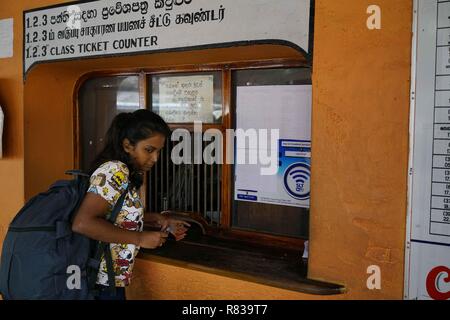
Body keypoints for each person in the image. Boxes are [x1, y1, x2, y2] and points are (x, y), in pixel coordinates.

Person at [72, 109, 190, 300]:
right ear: (128, 145)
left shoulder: (126, 173)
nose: (155, 159)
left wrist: (155, 218)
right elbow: (83, 223)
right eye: (149, 150)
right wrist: (140, 238)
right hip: (100, 280)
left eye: (159, 151)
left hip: (110, 279)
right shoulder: (115, 170)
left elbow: (113, 215)